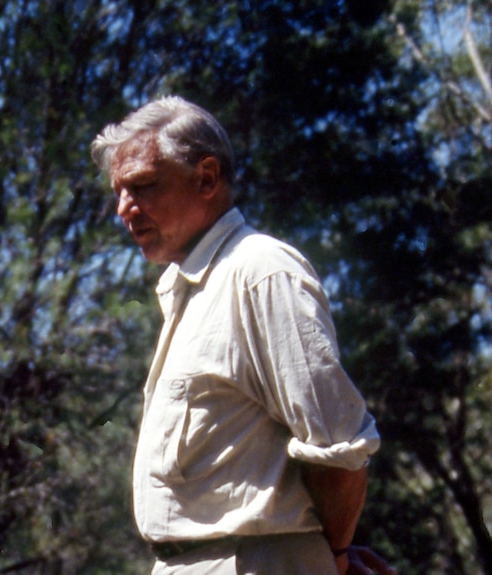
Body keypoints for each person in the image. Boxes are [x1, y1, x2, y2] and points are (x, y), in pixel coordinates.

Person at [91, 97, 395, 575]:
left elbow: (339, 449)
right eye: (119, 192)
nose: (124, 209)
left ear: (207, 179)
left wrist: (330, 558)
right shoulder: (189, 288)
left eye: (143, 187)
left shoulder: (260, 272)